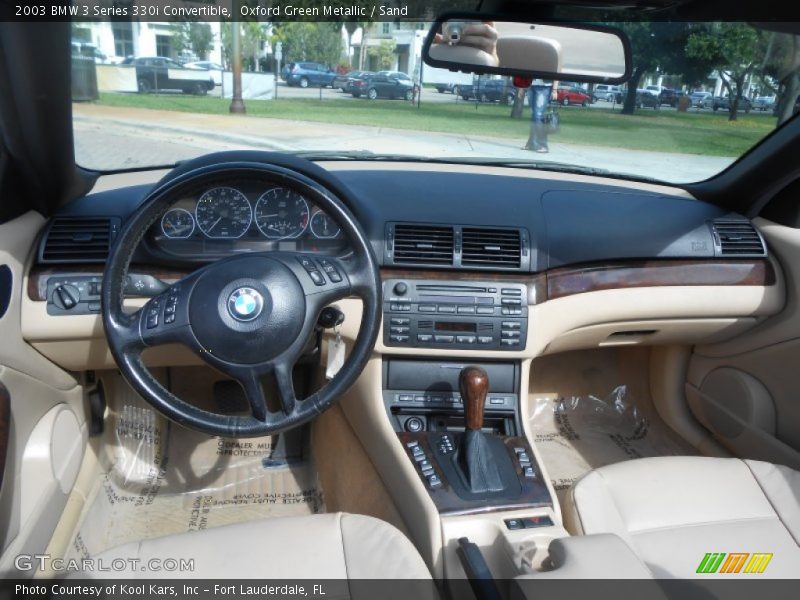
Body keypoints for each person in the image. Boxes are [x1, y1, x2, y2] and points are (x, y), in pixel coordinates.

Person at [525, 80, 557, 153]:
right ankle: (531, 143)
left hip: (544, 87)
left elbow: (557, 71)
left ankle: (543, 145)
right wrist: (521, 88)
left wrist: (554, 90)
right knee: (534, 115)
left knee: (538, 115)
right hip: (530, 85)